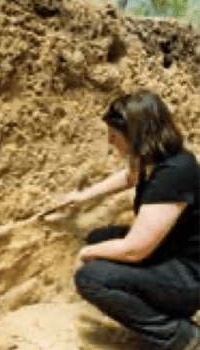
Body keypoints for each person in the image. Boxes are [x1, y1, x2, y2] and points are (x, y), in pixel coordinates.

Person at [57, 89, 200, 350]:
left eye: (114, 134)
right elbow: (129, 177)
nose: (110, 141)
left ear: (136, 135)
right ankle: (161, 313)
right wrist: (83, 197)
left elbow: (135, 250)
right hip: (169, 253)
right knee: (99, 239)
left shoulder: (176, 172)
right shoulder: (153, 158)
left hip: (189, 278)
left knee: (91, 277)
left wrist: (87, 254)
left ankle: (177, 335)